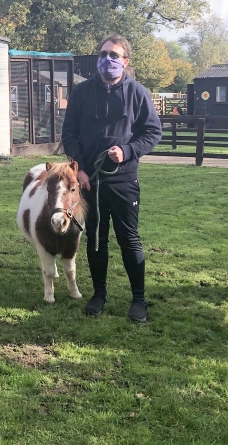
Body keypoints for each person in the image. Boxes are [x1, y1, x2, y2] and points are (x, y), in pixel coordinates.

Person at [61, 34, 162, 322]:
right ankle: (99, 294)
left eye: (114, 55)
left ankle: (139, 300)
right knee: (95, 238)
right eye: (104, 54)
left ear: (125, 61)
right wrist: (78, 168)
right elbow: (70, 133)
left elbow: (153, 132)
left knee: (128, 239)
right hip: (89, 180)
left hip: (123, 180)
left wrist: (129, 150)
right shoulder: (81, 93)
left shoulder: (138, 93)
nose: (108, 60)